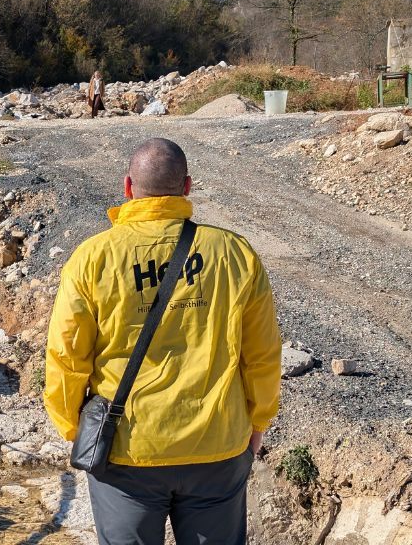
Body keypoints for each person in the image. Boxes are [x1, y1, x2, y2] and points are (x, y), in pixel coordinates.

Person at [44, 138, 282, 545]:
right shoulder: (234, 253)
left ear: (127, 187)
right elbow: (261, 353)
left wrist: (72, 427)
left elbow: (67, 355)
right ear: (187, 187)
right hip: (217, 445)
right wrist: (259, 420)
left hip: (126, 451)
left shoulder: (93, 258)